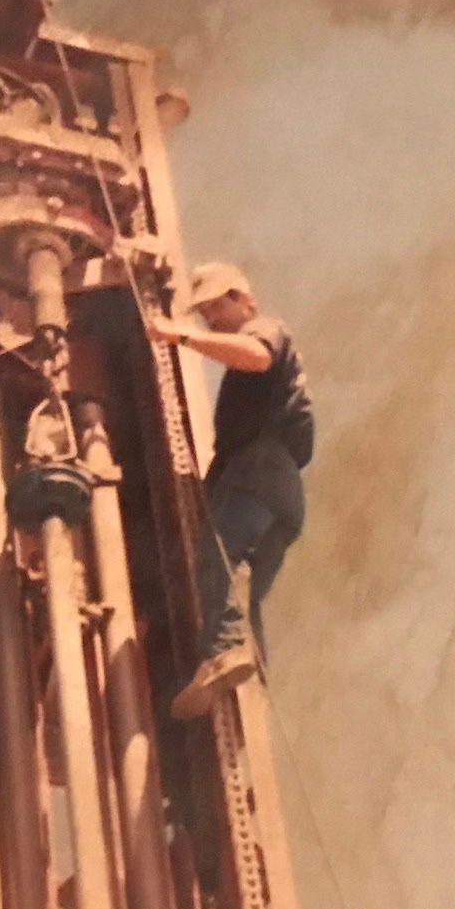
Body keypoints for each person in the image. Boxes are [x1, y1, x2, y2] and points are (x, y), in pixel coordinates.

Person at [146, 262, 314, 720]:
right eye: (203, 315)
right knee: (244, 590)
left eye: (217, 307)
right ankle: (250, 674)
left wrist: (180, 336)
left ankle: (225, 650)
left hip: (260, 474)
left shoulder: (265, 330)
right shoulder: (251, 394)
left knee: (216, 555)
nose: (210, 320)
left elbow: (256, 356)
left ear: (243, 299)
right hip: (283, 496)